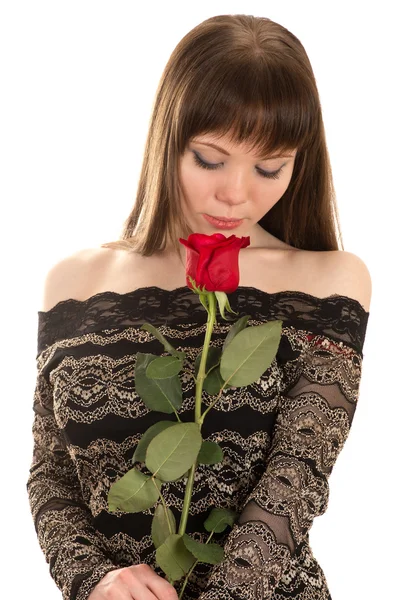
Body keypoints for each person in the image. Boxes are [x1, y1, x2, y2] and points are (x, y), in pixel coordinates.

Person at [27, 13, 372, 600]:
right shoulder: (74, 283)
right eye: (210, 159)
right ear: (168, 140)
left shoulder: (328, 283)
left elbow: (296, 483)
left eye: (270, 167)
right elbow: (50, 474)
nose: (236, 192)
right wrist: (94, 581)